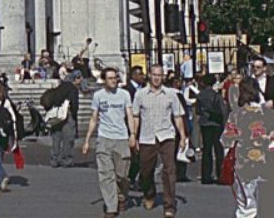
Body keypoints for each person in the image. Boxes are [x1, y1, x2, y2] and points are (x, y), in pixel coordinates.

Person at [223, 76, 274, 218]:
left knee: (246, 208)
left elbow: (226, 141)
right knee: (268, 208)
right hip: (270, 165)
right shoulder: (272, 115)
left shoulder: (236, 116)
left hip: (244, 166)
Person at [132, 63, 188, 217]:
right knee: (145, 170)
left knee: (169, 170)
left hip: (167, 136)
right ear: (149, 75)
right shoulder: (140, 94)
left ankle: (169, 205)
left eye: (160, 75)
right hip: (147, 136)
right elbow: (135, 117)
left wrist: (183, 137)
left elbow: (177, 116)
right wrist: (133, 135)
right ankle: (149, 193)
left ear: (163, 76)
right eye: (154, 75)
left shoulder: (171, 94)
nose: (157, 78)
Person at [81, 65, 136, 218]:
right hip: (104, 138)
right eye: (110, 78)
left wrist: (132, 134)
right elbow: (94, 118)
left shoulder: (124, 94)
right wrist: (87, 140)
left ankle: (121, 195)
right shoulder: (98, 96)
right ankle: (111, 207)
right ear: (104, 80)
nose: (114, 81)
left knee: (122, 175)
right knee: (106, 174)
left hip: (122, 138)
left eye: (115, 78)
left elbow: (129, 115)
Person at [44, 68, 83, 168]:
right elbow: (74, 104)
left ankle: (54, 159)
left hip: (56, 115)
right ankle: (67, 159)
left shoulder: (60, 86)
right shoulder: (73, 88)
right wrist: (74, 114)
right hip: (67, 114)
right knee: (68, 138)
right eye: (80, 78)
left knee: (56, 138)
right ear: (76, 78)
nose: (81, 80)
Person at [195, 72, 226, 185]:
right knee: (218, 150)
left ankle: (206, 176)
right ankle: (220, 175)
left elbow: (197, 111)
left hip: (205, 123)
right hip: (216, 123)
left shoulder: (200, 95)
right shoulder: (216, 95)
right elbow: (223, 110)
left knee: (206, 150)